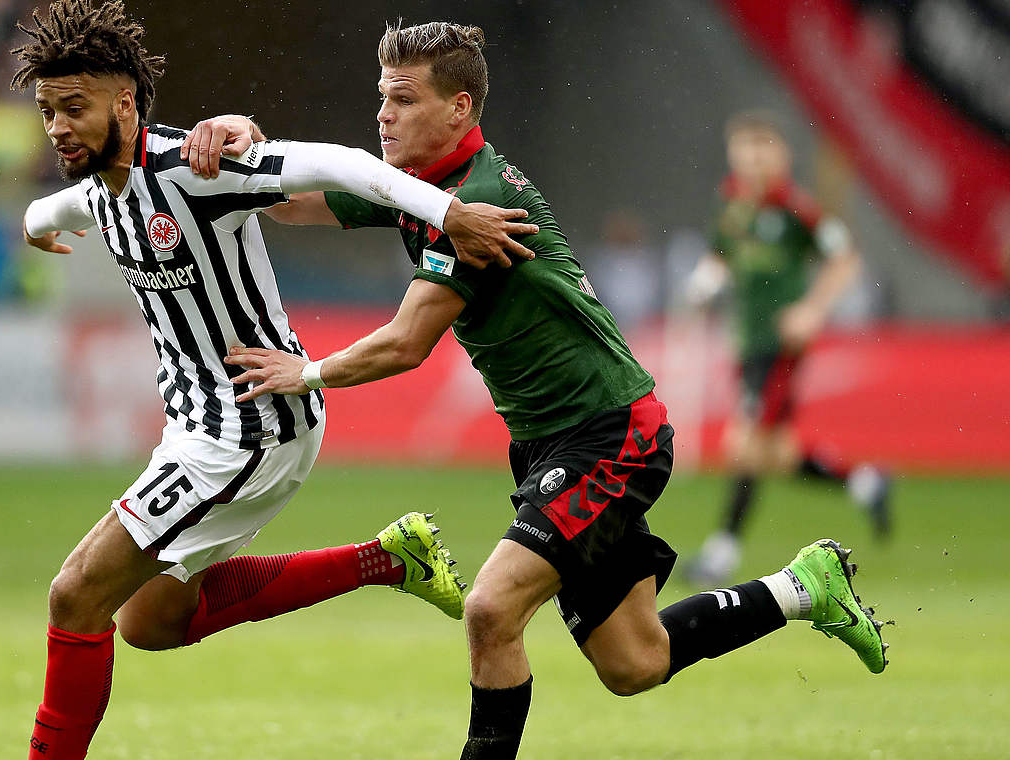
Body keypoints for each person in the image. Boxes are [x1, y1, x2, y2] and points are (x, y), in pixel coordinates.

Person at [206, 22, 889, 759]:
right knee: (635, 663)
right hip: (547, 442)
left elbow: (407, 342)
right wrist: (247, 138)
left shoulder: (479, 202)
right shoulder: (420, 190)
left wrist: (303, 372)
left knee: (490, 611)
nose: (383, 114)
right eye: (382, 97)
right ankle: (802, 586)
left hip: (610, 432)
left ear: (460, 108)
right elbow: (287, 204)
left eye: (403, 99)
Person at [11, 3, 541, 758]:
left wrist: (447, 212)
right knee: (149, 622)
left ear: (124, 102)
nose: (58, 127)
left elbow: (342, 165)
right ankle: (387, 558)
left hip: (251, 423)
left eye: (74, 107)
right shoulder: (101, 191)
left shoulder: (195, 169)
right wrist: (37, 222)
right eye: (46, 111)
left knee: (75, 594)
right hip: (200, 426)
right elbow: (56, 208)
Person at [682, 110, 892, 588]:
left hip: (779, 346)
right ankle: (865, 483)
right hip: (747, 341)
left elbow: (845, 259)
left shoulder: (797, 209)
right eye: (744, 149)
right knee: (776, 454)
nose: (753, 160)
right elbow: (721, 254)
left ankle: (721, 552)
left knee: (745, 443)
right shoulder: (733, 204)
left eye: (762, 148)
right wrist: (706, 281)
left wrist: (812, 310)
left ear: (780, 154)